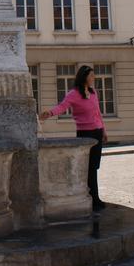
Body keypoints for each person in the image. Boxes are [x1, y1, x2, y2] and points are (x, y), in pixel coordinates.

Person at [40, 65, 108, 211]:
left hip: (97, 132)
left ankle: (94, 196)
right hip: (85, 134)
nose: (93, 78)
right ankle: (90, 197)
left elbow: (98, 113)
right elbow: (62, 107)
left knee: (94, 167)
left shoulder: (93, 92)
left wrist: (104, 130)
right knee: (87, 167)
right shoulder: (73, 94)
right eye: (91, 76)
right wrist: (50, 113)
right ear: (84, 77)